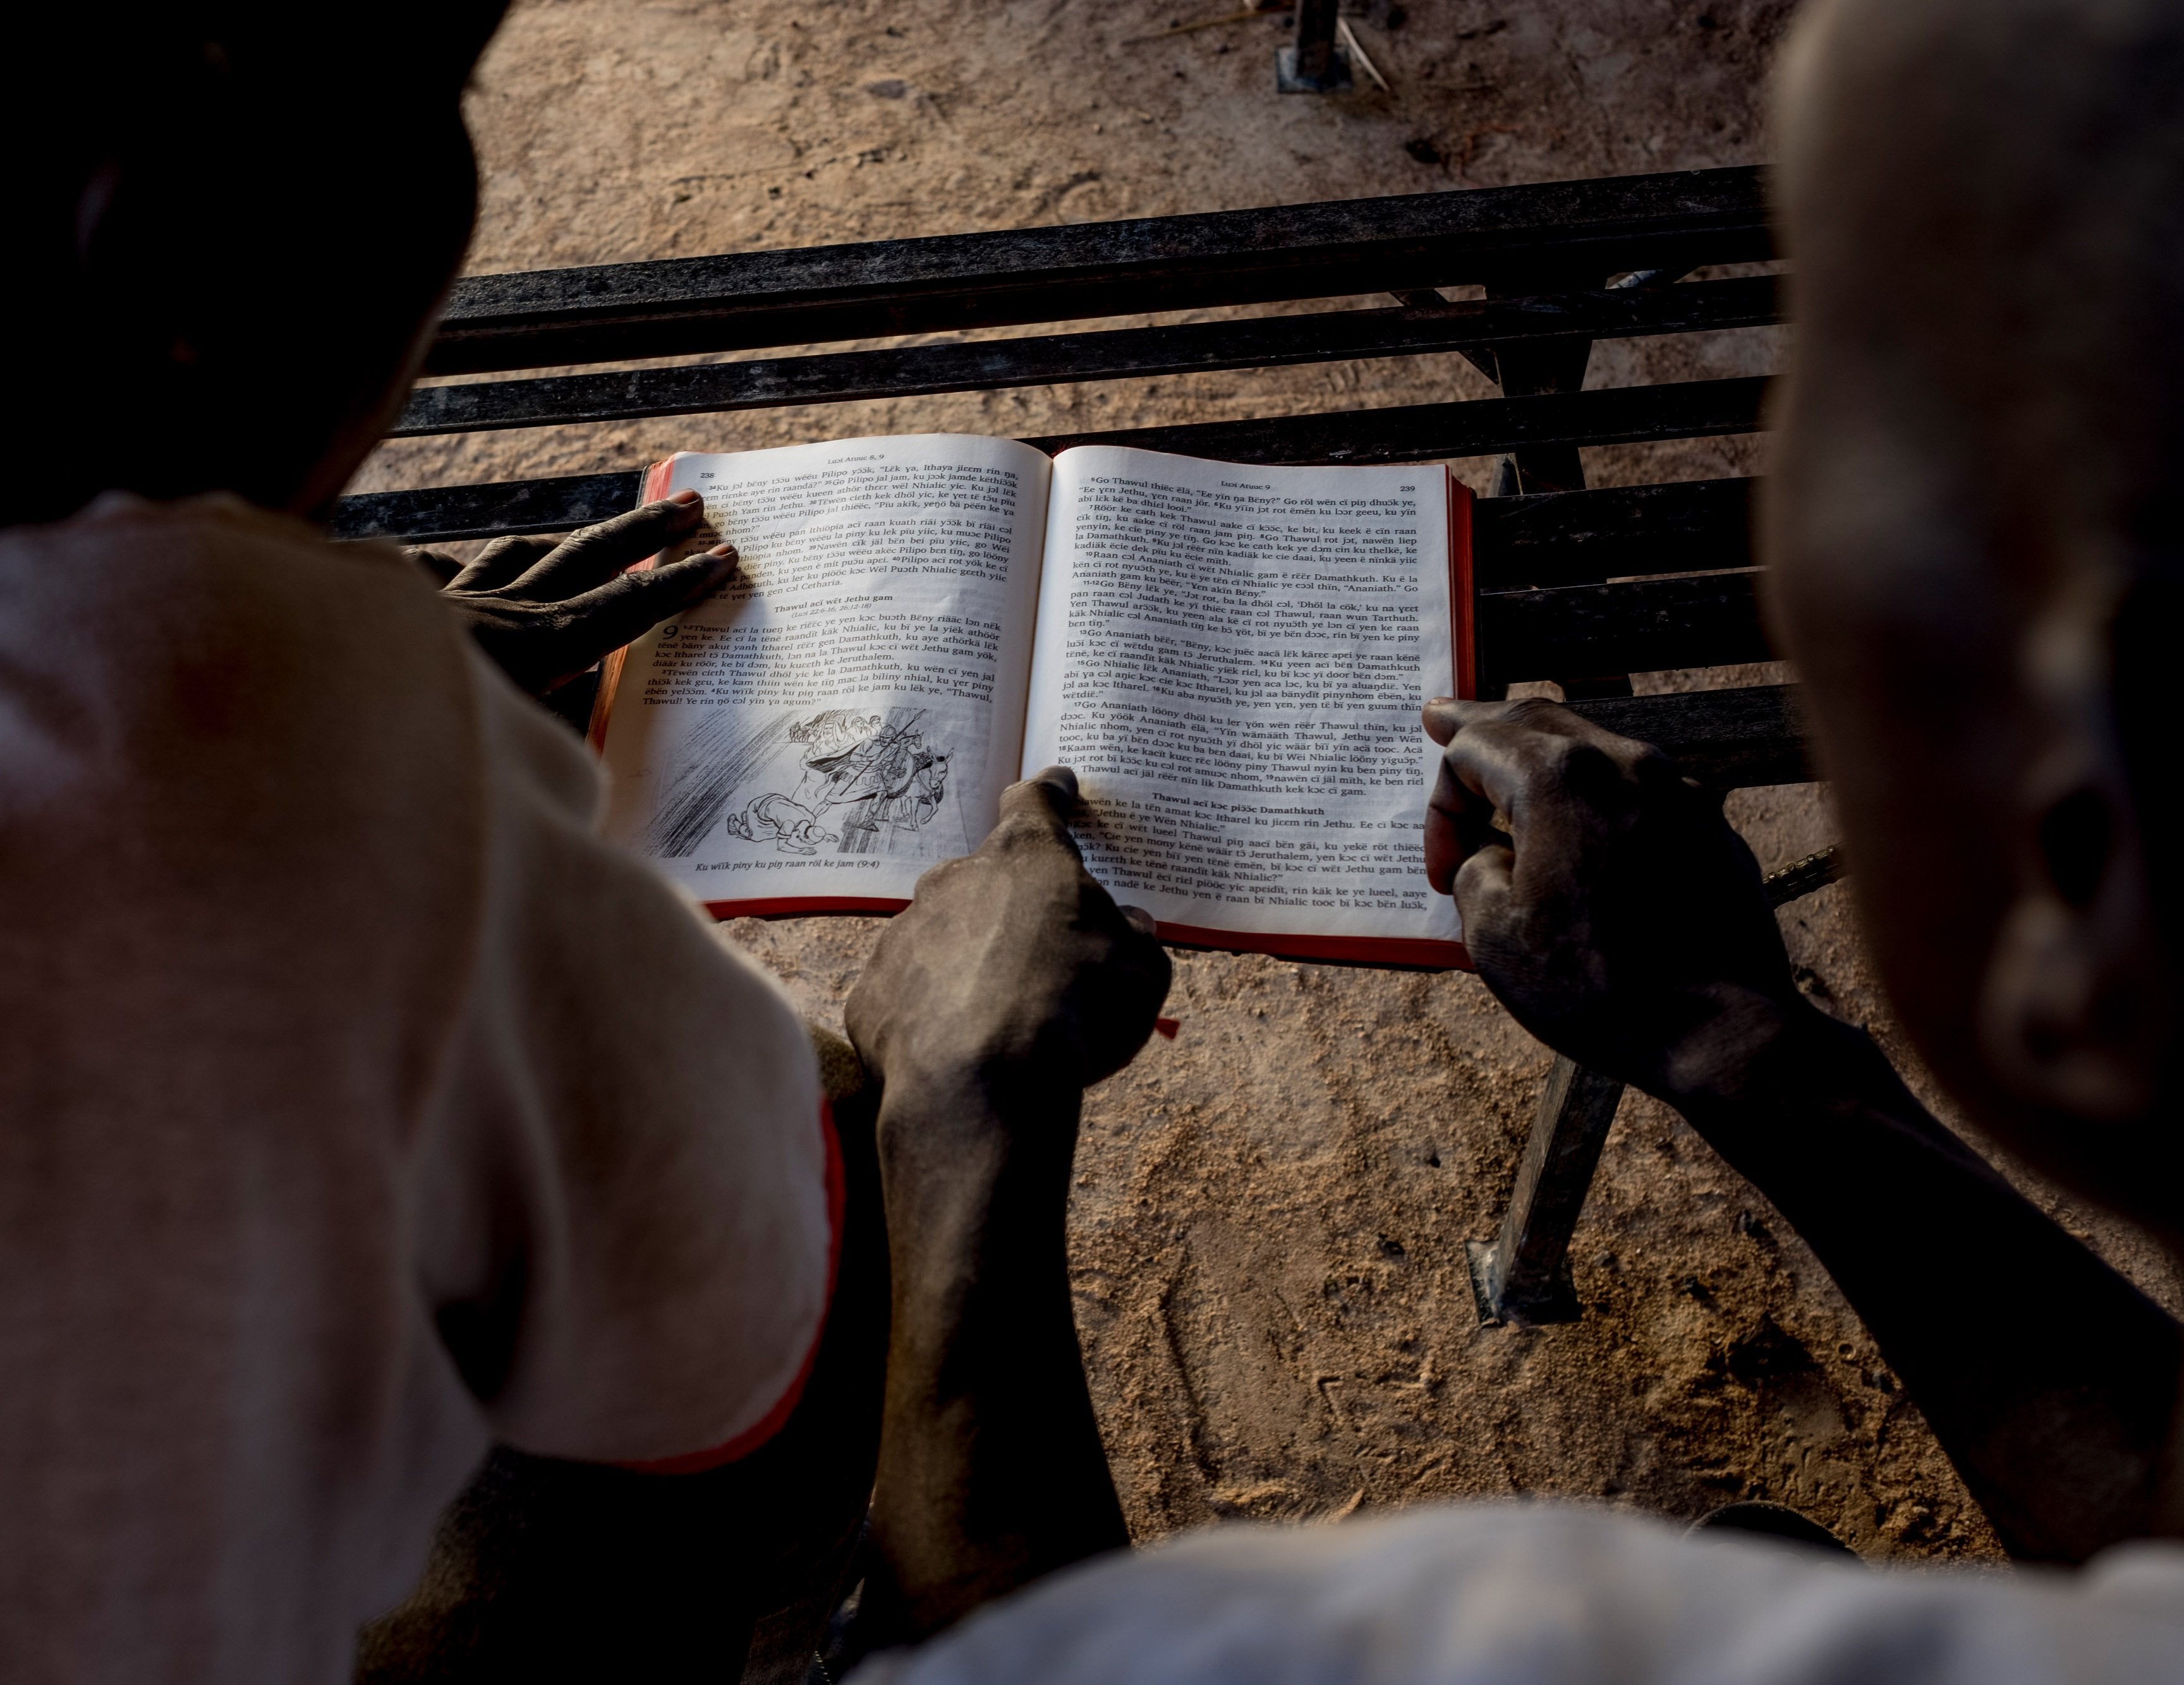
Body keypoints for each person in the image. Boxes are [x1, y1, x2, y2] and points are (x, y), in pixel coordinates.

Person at [0, 12, 1173, 1684]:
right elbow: (730, 1323)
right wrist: (974, 1103)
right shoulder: (278, 719)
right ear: (170, 291)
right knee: (832, 1143)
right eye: (430, 102)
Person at [816, 0, 2184, 1677]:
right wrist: (1732, 1029)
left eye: (1850, 354)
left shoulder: (1530, 1636)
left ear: (2084, 871)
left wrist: (960, 1115)